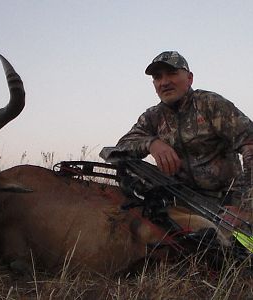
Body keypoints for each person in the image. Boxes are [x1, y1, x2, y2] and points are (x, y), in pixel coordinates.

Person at [100, 51, 253, 206]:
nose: (164, 82)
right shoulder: (153, 116)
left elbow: (250, 142)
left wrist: (246, 207)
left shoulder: (210, 104)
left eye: (172, 73)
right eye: (157, 77)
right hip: (179, 201)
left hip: (227, 203)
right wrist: (152, 143)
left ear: (189, 78)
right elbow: (116, 150)